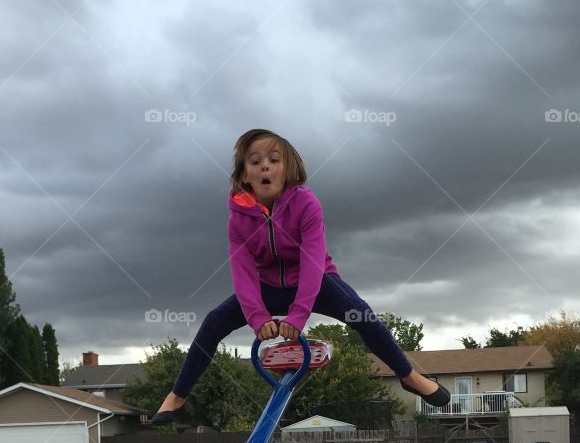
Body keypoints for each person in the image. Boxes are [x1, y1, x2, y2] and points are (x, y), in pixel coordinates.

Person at [150, 127, 450, 424]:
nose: (264, 165)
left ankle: (409, 375)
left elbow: (312, 261)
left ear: (288, 170)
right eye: (254, 162)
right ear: (245, 176)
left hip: (317, 282)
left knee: (361, 314)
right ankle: (178, 395)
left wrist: (297, 316)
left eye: (273, 160)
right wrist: (257, 317)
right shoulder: (238, 220)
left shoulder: (306, 204)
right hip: (266, 286)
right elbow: (242, 273)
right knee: (214, 321)